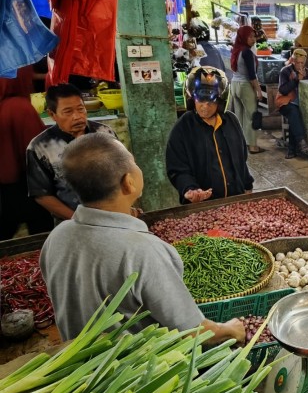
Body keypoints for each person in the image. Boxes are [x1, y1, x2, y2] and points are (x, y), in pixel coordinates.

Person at [41, 133, 246, 343]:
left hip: (79, 366)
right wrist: (230, 329)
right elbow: (193, 331)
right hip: (134, 369)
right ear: (128, 182)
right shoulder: (143, 250)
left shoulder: (56, 237)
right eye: (134, 162)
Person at [26, 83, 117, 223]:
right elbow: (41, 194)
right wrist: (79, 219)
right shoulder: (40, 147)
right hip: (72, 223)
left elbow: (124, 171)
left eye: (81, 109)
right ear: (52, 114)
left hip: (113, 217)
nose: (77, 116)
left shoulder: (105, 134)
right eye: (68, 112)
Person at [166, 66, 254, 204]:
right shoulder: (183, 127)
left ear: (220, 101)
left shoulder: (231, 121)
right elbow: (177, 169)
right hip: (203, 205)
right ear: (191, 98)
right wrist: (190, 189)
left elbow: (241, 160)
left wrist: (248, 186)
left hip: (235, 200)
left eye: (211, 101)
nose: (205, 106)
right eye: (200, 100)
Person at [0, 66, 52, 239]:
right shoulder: (20, 107)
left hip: (6, 190)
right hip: (24, 188)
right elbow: (39, 151)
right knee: (40, 237)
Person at [228, 26, 264, 154]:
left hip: (234, 84)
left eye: (254, 36)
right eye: (250, 36)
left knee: (240, 116)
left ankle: (241, 144)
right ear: (243, 37)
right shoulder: (247, 52)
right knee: (251, 116)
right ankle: (253, 146)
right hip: (245, 86)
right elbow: (252, 76)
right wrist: (259, 91)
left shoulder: (236, 50)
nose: (253, 39)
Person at [276, 49, 308, 159]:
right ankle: (301, 141)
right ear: (293, 61)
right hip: (284, 102)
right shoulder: (285, 71)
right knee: (293, 111)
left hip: (299, 103)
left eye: (302, 63)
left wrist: (306, 79)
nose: (300, 65)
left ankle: (292, 150)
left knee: (296, 114)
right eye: (298, 62)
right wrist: (296, 80)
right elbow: (283, 90)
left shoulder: (306, 72)